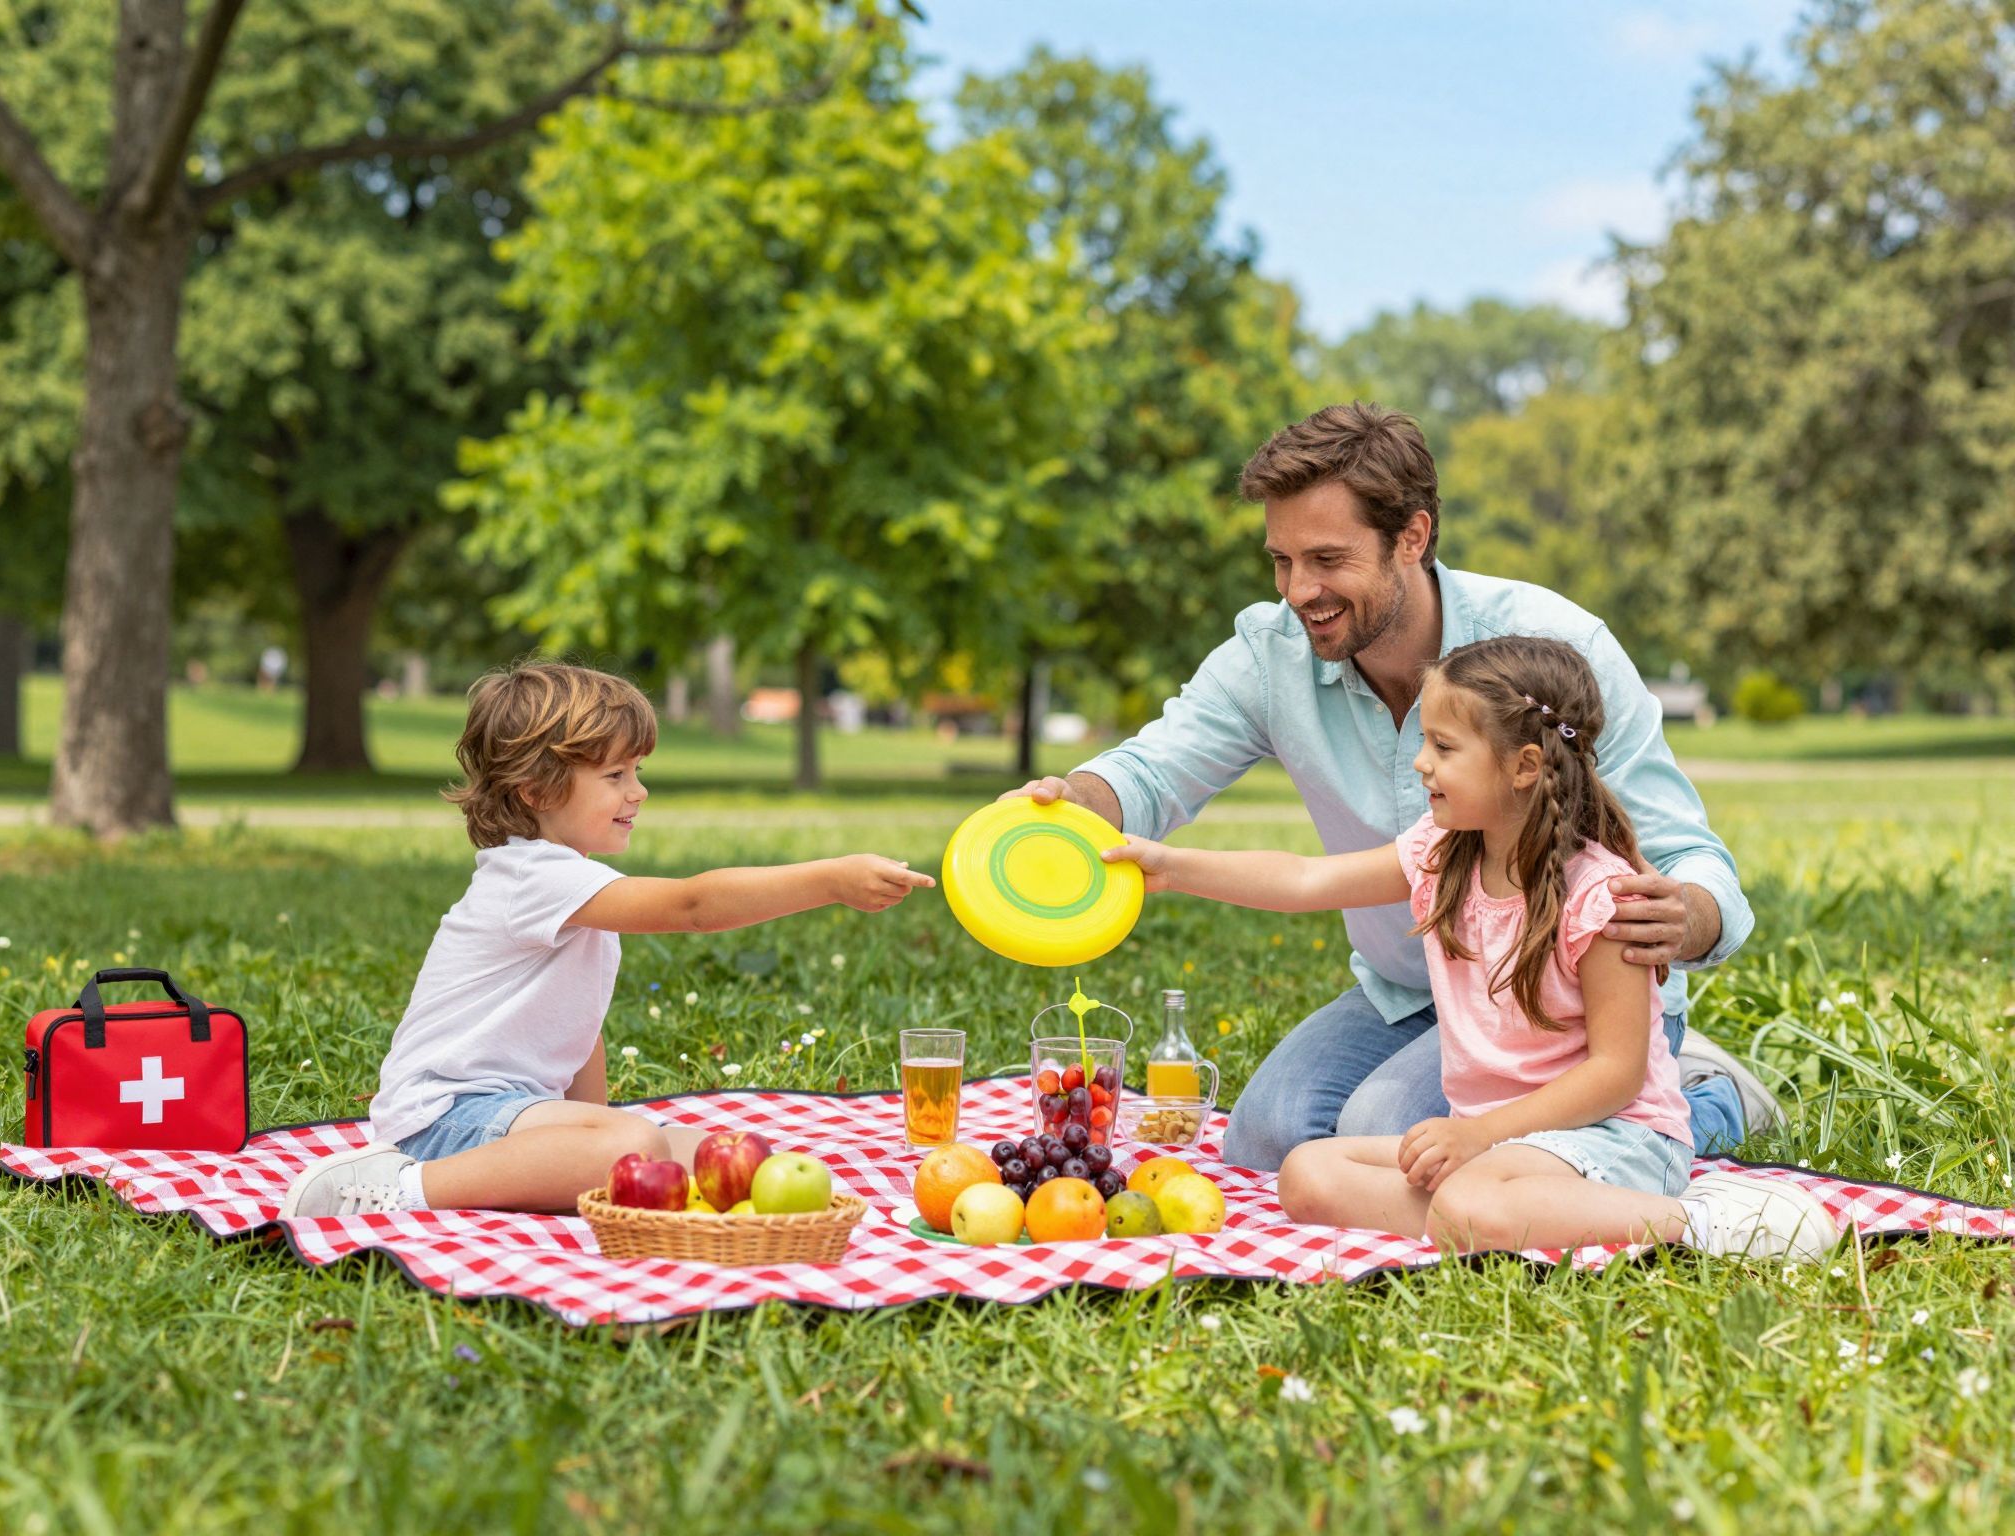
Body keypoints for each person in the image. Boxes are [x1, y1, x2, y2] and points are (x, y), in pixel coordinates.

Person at [1008, 402, 1775, 1169]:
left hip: (1563, 1015)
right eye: (1282, 560)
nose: (1299, 590)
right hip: (1410, 996)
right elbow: (1151, 771)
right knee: (1266, 1138)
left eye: (1328, 560)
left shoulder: (1555, 652)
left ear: (1411, 536)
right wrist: (1075, 803)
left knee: (1382, 1132)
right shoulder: (1270, 655)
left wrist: (1692, 917)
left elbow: (1686, 852)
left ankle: (1698, 1104)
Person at [1102, 637, 1836, 1258]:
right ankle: (1489, 1220)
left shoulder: (1600, 898)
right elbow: (1303, 878)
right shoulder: (1441, 854)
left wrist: (1478, 1135)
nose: (1420, 763)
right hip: (1496, 1146)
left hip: (1610, 1137)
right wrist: (1170, 867)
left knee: (1467, 1198)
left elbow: (1615, 1076)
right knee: (1307, 1176)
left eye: (1443, 747)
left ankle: (1704, 1223)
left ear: (1522, 766)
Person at [280, 661, 935, 1218]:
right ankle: (395, 1190)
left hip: (512, 1113)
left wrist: (601, 1120)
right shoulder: (531, 877)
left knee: (731, 1160)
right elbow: (696, 906)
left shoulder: (577, 884)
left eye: (638, 771)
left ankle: (558, 1158)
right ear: (536, 788)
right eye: (616, 775)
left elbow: (575, 1023)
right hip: (445, 1117)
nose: (638, 792)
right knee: (633, 1151)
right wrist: (830, 879)